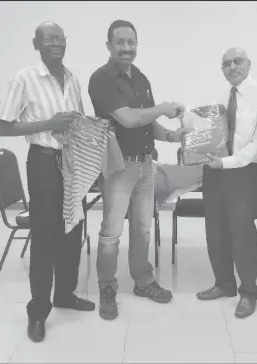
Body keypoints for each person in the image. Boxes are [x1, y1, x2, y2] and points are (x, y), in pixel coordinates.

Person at [0, 22, 95, 343]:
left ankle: (65, 294)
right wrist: (49, 124)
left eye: (60, 39)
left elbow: (74, 120)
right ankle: (38, 310)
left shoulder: (72, 79)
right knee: (46, 236)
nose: (55, 43)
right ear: (35, 44)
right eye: (48, 39)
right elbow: (0, 127)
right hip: (42, 162)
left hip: (71, 163)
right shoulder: (24, 79)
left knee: (72, 229)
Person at [88, 19, 188, 320]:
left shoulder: (141, 77)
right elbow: (128, 118)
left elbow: (146, 121)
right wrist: (162, 108)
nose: (127, 48)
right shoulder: (102, 79)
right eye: (120, 42)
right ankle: (107, 288)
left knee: (143, 227)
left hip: (146, 164)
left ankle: (143, 281)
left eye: (131, 42)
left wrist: (169, 135)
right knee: (111, 233)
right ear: (109, 46)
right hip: (119, 167)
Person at [197, 48, 257, 319]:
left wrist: (225, 163)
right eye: (226, 64)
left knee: (242, 232)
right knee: (215, 230)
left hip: (244, 172)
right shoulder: (219, 96)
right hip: (215, 172)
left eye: (237, 61)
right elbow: (208, 132)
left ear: (249, 64)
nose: (232, 67)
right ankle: (224, 284)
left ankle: (248, 292)